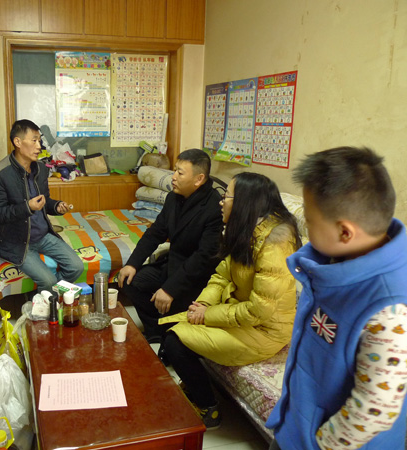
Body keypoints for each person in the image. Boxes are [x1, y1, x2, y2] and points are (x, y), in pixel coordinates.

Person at [266, 147, 407, 450]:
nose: (305, 226)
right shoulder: (332, 263)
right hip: (296, 424)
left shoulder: (390, 309)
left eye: (309, 219)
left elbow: (376, 408)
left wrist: (320, 444)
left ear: (345, 232)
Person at [160, 172, 301, 429]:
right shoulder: (248, 231)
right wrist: (204, 304)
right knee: (174, 326)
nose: (222, 201)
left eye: (227, 196)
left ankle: (209, 409)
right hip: (242, 316)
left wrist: (207, 315)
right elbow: (221, 275)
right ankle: (194, 388)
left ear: (245, 203)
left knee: (175, 341)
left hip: (265, 330)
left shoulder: (275, 245)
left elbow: (258, 311)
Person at [118, 148, 223, 342]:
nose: (173, 177)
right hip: (171, 264)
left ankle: (169, 330)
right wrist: (132, 264)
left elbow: (203, 258)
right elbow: (155, 233)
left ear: (199, 179)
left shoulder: (214, 208)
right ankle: (156, 330)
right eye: (175, 170)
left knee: (173, 309)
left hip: (194, 277)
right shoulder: (174, 197)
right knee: (129, 280)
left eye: (180, 173)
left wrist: (170, 289)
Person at [0, 119, 84, 292]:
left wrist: (57, 206)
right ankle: (48, 298)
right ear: (17, 142)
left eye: (40, 141)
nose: (39, 146)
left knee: (76, 267)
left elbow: (44, 201)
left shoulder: (40, 169)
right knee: (48, 280)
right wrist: (27, 207)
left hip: (42, 235)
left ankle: (47, 298)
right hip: (15, 241)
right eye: (34, 140)